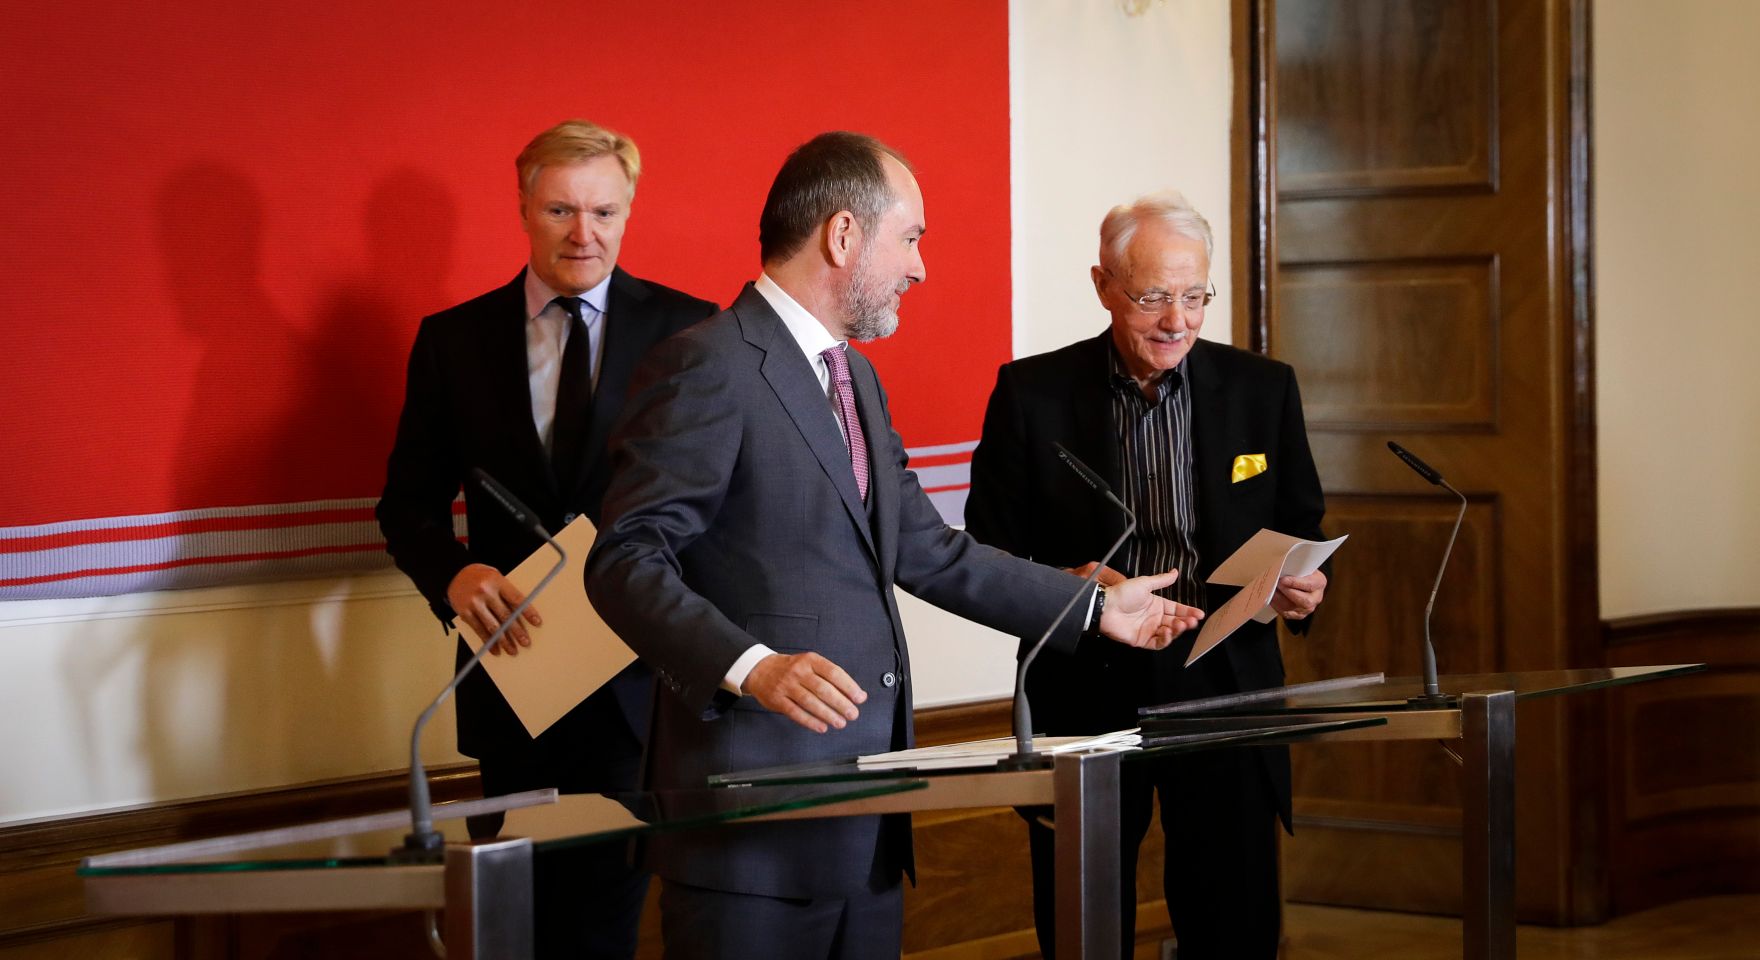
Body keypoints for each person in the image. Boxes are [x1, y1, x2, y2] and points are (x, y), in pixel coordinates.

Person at [584, 133, 1206, 960]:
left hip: (868, 818)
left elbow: (927, 550)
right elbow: (623, 559)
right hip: (752, 829)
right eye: (910, 238)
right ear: (844, 236)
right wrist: (750, 666)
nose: (919, 267)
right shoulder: (707, 365)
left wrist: (1092, 608)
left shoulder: (855, 378)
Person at [376, 118, 717, 959]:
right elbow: (406, 507)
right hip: (513, 670)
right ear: (524, 209)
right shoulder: (453, 341)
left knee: (605, 923)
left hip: (641, 682)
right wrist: (453, 577)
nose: (584, 233)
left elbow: (716, 507)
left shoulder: (690, 331)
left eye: (604, 212)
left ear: (629, 212)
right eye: (561, 210)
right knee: (518, 926)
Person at [963, 190, 1328, 959]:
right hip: (1087, 690)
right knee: (1085, 928)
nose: (1178, 321)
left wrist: (1304, 589)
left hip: (1228, 688)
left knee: (1235, 927)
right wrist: (1073, 585)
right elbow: (987, 554)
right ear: (1103, 286)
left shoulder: (1264, 390)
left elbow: (1302, 525)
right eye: (1154, 296)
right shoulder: (1031, 396)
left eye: (1195, 296)